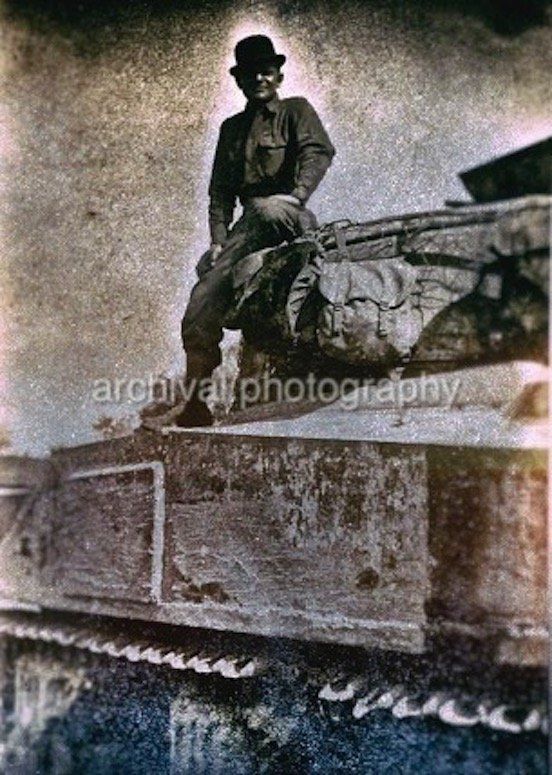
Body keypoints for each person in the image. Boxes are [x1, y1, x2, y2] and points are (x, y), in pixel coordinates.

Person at [167, 34, 335, 427]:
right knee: (203, 294)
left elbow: (318, 152)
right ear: (240, 81)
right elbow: (220, 194)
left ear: (277, 74)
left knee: (264, 208)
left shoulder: (296, 111)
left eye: (266, 71)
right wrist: (216, 242)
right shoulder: (231, 130)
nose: (260, 78)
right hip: (250, 225)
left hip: (288, 215)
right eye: (250, 73)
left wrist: (297, 195)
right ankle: (195, 402)